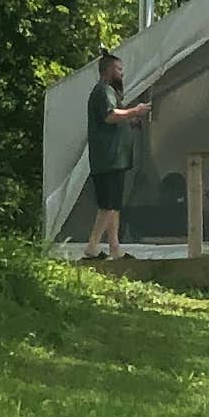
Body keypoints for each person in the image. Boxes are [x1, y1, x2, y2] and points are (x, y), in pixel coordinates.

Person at [82, 48, 147, 261]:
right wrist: (134, 111)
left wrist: (130, 121)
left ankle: (115, 248)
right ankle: (92, 248)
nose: (121, 73)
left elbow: (116, 117)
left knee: (114, 206)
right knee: (108, 206)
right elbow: (110, 116)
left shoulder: (109, 92)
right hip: (108, 158)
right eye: (118, 69)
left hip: (116, 159)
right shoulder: (103, 91)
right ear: (107, 71)